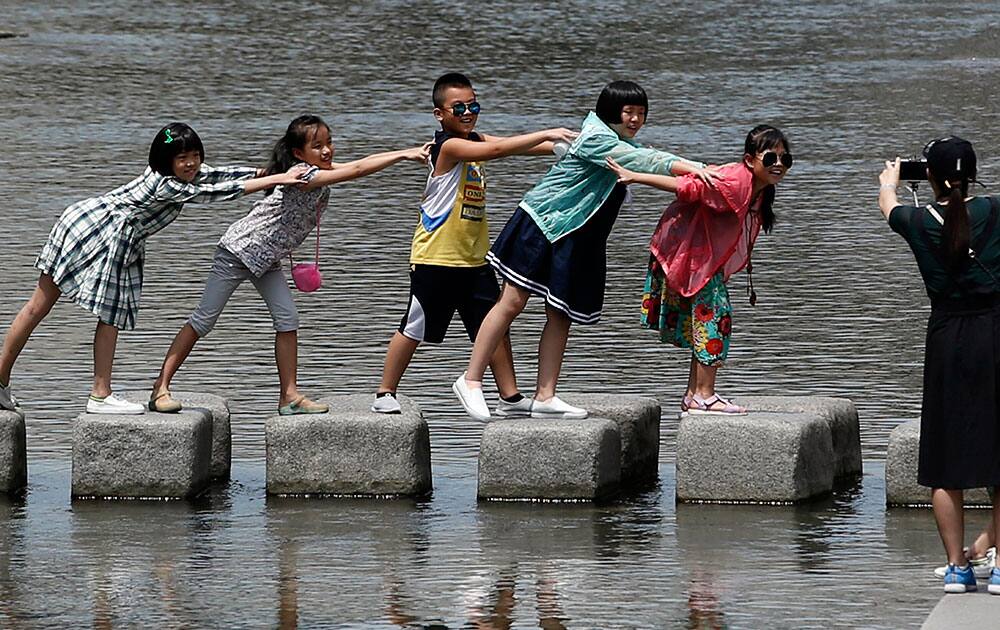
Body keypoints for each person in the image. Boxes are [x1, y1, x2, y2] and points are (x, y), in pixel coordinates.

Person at [452, 80, 717, 421]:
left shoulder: (617, 139)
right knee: (512, 301)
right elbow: (644, 160)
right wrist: (695, 166)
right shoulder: (597, 139)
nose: (635, 119)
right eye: (628, 112)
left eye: (641, 113)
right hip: (543, 222)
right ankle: (471, 379)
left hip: (577, 235)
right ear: (610, 112)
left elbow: (641, 158)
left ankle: (545, 396)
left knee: (560, 314)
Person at [0, 123, 305, 414]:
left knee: (40, 306)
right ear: (165, 160)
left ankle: (0, 380)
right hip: (109, 233)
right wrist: (278, 179)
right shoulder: (167, 185)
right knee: (107, 314)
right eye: (182, 158)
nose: (191, 164)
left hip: (83, 221)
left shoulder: (182, 174)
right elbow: (214, 193)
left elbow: (218, 175)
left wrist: (266, 171)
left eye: (195, 156)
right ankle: (100, 394)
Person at [149, 115, 430, 415]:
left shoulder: (319, 171)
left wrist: (405, 151)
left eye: (329, 143)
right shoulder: (306, 177)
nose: (327, 151)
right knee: (203, 321)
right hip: (238, 252)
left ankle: (289, 396)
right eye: (317, 145)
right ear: (299, 154)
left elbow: (358, 163)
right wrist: (402, 155)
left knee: (288, 320)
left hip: (268, 259)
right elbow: (357, 170)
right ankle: (160, 389)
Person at [371, 72, 577, 415]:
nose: (468, 112)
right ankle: (384, 392)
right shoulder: (449, 146)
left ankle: (509, 397)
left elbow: (513, 145)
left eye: (473, 105)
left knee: (493, 325)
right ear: (440, 114)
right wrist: (546, 132)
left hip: (475, 258)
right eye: (459, 107)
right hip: (437, 256)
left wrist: (566, 145)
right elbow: (497, 149)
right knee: (415, 325)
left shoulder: (475, 139)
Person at [879, 136, 1000, 594]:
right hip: (995, 332)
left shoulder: (916, 220)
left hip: (948, 337)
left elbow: (886, 203)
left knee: (946, 459)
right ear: (971, 174)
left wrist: (891, 178)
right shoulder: (995, 209)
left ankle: (957, 568)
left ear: (928, 176)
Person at [606, 125, 790, 416]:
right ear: (749, 160)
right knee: (715, 317)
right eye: (770, 159)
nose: (778, 165)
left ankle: (695, 395)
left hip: (701, 257)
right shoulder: (734, 181)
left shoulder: (760, 188)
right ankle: (705, 395)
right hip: (689, 255)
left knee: (705, 320)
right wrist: (635, 177)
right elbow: (687, 188)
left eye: (784, 159)